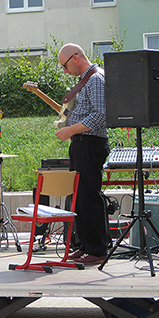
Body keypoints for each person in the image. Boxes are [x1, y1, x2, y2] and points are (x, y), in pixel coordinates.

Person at [55, 43, 110, 265]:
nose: (65, 71)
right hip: (81, 144)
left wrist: (70, 130)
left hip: (90, 144)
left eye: (65, 66)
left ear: (75, 58)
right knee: (79, 198)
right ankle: (85, 245)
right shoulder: (86, 80)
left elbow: (100, 115)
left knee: (89, 197)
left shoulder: (95, 79)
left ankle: (98, 249)